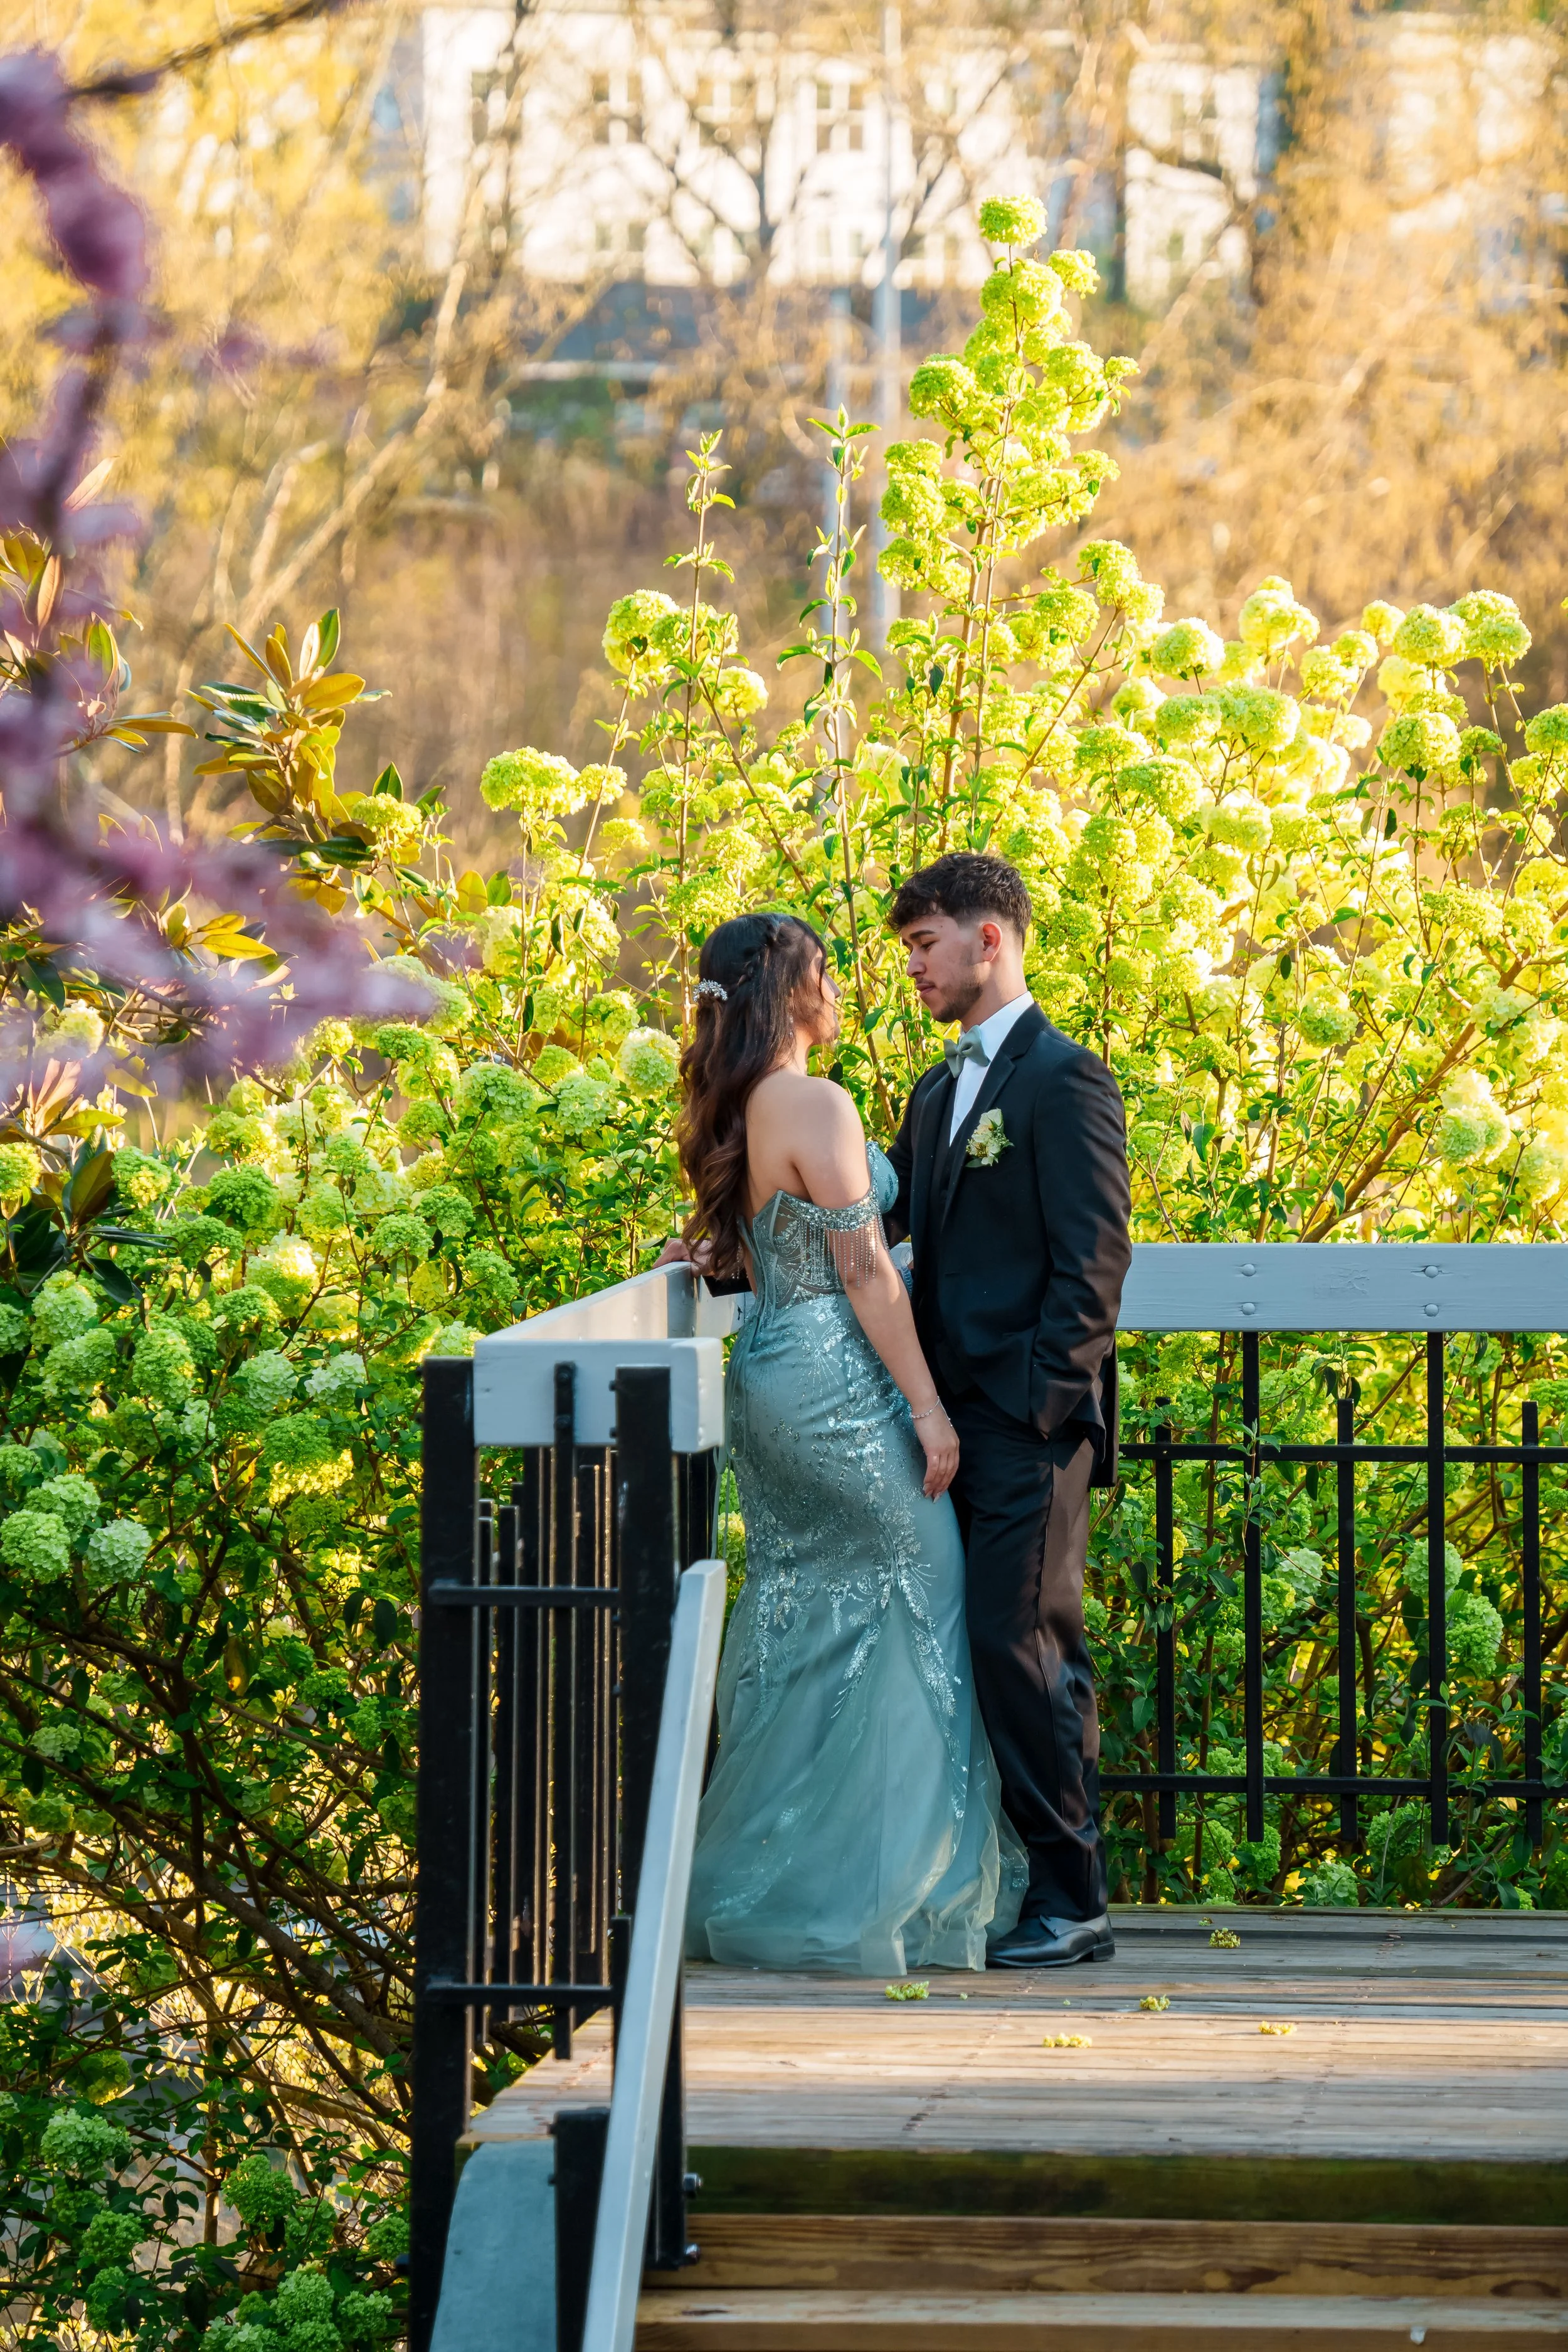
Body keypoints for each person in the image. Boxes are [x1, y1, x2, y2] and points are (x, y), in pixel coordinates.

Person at [672, 910, 1024, 1974]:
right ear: (788, 989)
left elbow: (756, 1248)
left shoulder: (737, 1105)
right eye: (824, 971)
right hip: (837, 1383)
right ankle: (892, 1893)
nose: (841, 987)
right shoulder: (814, 1101)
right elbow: (867, 1271)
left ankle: (776, 1876)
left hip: (770, 1377)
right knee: (926, 1587)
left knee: (806, 1618)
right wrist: (926, 1405)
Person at [886, 852, 1132, 1968]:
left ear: (991, 939)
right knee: (982, 1643)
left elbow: (1094, 1262)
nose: (916, 971)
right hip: (938, 1419)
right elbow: (877, 1236)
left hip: (1026, 1423)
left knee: (1023, 1642)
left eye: (926, 945)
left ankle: (1071, 1892)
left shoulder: (1064, 1079)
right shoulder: (937, 1091)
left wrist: (1040, 1408)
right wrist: (731, 1261)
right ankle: (1021, 1879)